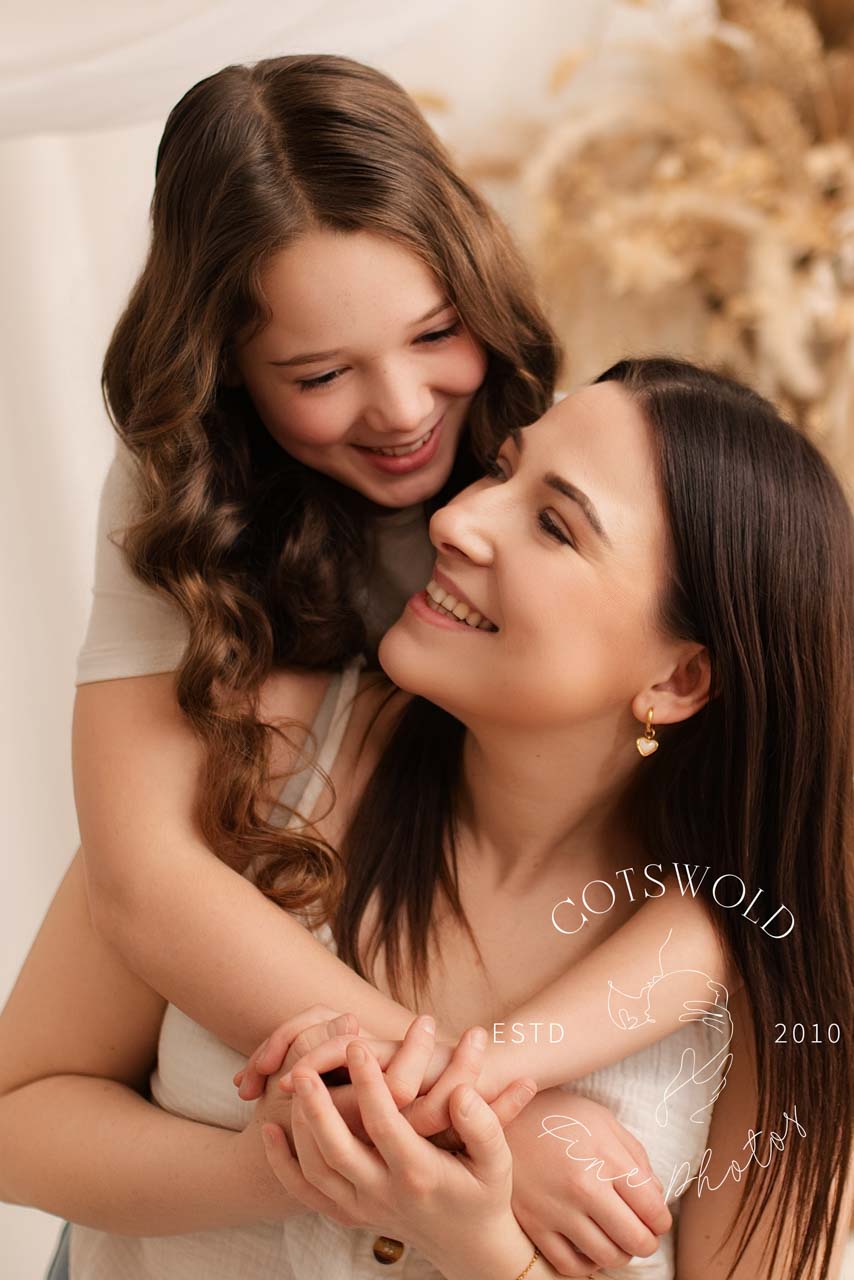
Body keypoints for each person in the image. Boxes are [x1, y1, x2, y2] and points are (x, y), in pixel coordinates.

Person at [2, 361, 851, 1279]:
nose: (454, 521)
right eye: (498, 470)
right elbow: (19, 1112)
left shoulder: (767, 987)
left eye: (554, 525)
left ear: (677, 679)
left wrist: (483, 1244)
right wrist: (277, 1170)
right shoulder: (262, 746)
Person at [71, 55, 726, 1123]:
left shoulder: (563, 465)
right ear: (227, 367)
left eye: (434, 333)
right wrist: (490, 1115)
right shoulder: (182, 489)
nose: (403, 408)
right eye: (321, 375)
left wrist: (499, 1074)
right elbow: (144, 880)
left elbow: (759, 873)